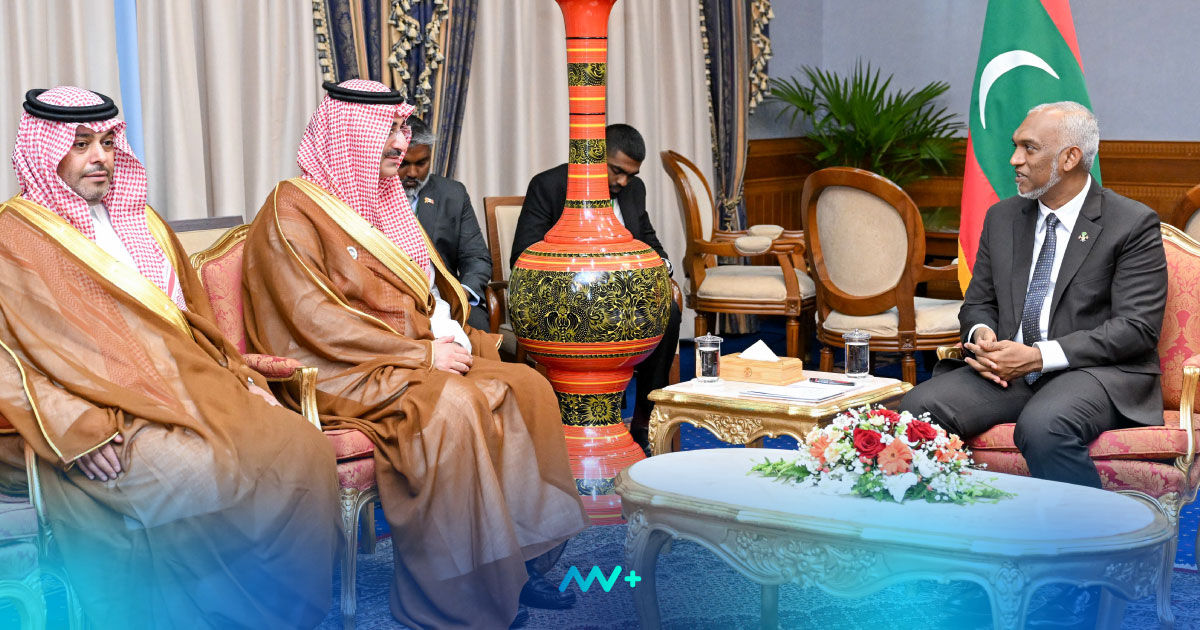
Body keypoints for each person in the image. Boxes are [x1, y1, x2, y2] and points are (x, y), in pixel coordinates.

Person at [240, 79, 589, 630]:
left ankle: (518, 568)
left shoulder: (379, 198)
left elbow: (422, 293)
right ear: (349, 134)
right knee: (454, 407)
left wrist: (442, 340)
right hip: (338, 369)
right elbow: (313, 319)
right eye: (389, 130)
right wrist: (420, 355)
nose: (401, 143)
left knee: (529, 387)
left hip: (404, 354)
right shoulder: (292, 209)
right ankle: (456, 597)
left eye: (403, 128)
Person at [0, 86, 340, 629]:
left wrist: (242, 378)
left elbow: (193, 323)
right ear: (46, 151)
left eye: (108, 142)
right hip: (97, 411)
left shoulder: (144, 222)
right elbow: (9, 362)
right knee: (201, 471)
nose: (100, 157)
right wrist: (76, 427)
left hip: (186, 386)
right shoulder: (12, 238)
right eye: (81, 144)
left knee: (302, 447)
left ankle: (280, 613)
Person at [899, 101, 1167, 489]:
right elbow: (979, 302)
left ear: (1070, 158)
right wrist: (982, 336)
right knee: (917, 409)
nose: (1014, 159)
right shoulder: (1003, 217)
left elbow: (1136, 329)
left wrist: (1039, 356)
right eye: (1015, 146)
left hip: (1092, 372)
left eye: (1029, 148)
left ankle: (1089, 528)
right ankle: (956, 521)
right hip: (1010, 372)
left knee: (1044, 426)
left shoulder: (1130, 223)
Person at [511, 123, 681, 452]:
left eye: (630, 175)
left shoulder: (634, 190)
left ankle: (646, 419)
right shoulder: (549, 185)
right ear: (594, 155)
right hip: (567, 299)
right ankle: (584, 421)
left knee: (668, 312)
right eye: (617, 171)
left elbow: (650, 242)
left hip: (622, 299)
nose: (623, 182)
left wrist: (663, 267)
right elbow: (521, 254)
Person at [399, 117, 493, 331]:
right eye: (404, 164)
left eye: (421, 163)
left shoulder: (453, 194)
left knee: (477, 325)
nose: (412, 173)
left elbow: (476, 258)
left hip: (444, 296)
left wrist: (461, 293)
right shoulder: (370, 194)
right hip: (391, 298)